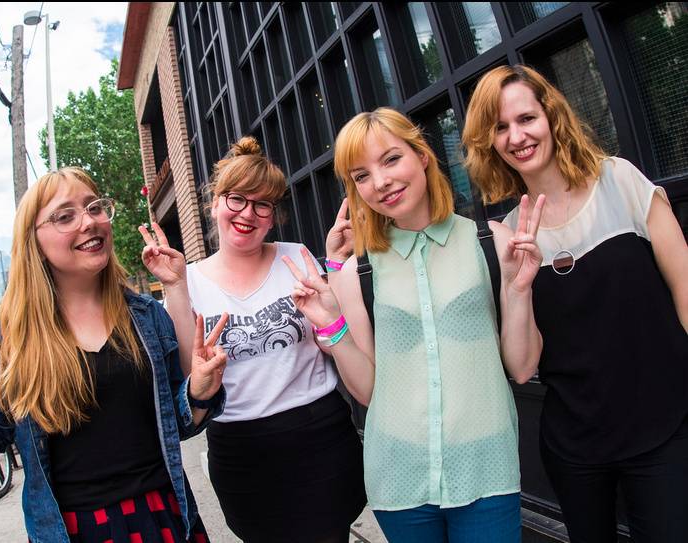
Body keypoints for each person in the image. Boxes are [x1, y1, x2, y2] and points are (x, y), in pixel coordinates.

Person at [0, 167, 229, 543]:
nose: (88, 222)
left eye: (94, 208)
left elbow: (182, 423)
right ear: (34, 241)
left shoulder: (146, 316)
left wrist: (200, 391)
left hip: (164, 518)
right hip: (69, 530)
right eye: (65, 216)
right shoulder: (14, 336)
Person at [280, 107, 545, 542]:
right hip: (399, 477)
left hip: (487, 467)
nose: (380, 182)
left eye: (389, 160)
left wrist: (518, 292)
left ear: (421, 154)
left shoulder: (491, 241)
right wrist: (332, 326)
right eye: (361, 175)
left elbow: (520, 367)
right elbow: (366, 390)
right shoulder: (354, 273)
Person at [462, 64, 688, 543]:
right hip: (576, 444)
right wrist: (520, 285)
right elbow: (521, 368)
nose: (516, 136)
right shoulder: (507, 233)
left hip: (667, 424)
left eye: (526, 118)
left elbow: (685, 288)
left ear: (551, 116)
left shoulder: (619, 181)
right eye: (500, 127)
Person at [139, 136, 366, 543]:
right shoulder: (187, 280)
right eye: (237, 199)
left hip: (320, 435)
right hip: (241, 450)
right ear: (214, 203)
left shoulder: (296, 257)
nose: (249, 214)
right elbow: (192, 379)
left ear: (273, 214)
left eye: (262, 204)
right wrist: (174, 288)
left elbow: (334, 340)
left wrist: (333, 268)